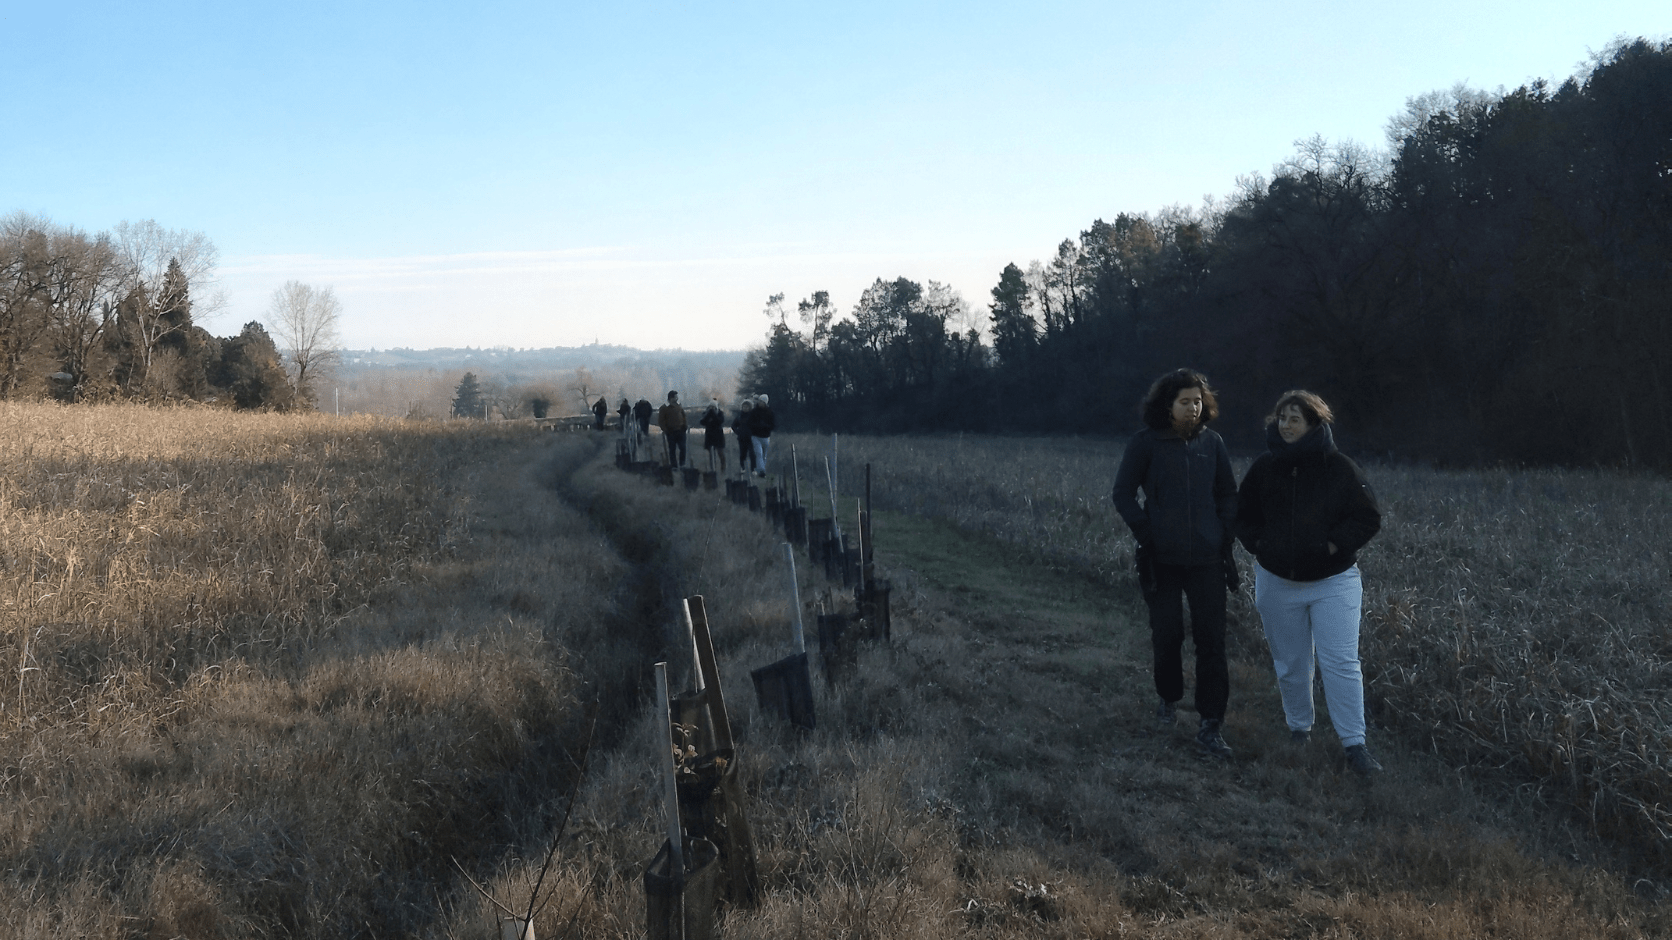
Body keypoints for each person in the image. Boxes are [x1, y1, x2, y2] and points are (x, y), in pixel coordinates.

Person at [1235, 390, 1384, 775]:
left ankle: (1355, 746)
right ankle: (1299, 729)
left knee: (1341, 663)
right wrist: (1261, 545)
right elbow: (1242, 515)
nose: (1285, 425)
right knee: (1292, 664)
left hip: (1333, 581)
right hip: (1276, 581)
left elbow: (1368, 518)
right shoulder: (1264, 467)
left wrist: (1332, 546)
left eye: (1294, 418)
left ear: (1314, 424)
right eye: (1281, 417)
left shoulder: (1340, 468)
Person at [1112, 369, 1238, 758]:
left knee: (1211, 641)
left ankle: (1211, 723)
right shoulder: (1145, 444)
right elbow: (1123, 494)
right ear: (1167, 405)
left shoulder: (1213, 444)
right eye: (1185, 402)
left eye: (1198, 401)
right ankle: (1168, 699)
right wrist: (1146, 534)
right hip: (1160, 559)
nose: (1193, 408)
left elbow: (1227, 493)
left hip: (1206, 560)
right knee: (1167, 635)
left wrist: (1224, 535)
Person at [658, 391, 688, 467]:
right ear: (671, 398)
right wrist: (665, 430)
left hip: (681, 430)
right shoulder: (665, 408)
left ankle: (682, 464)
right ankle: (674, 465)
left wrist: (685, 425)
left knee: (683, 448)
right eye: (675, 397)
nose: (676, 398)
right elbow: (661, 421)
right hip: (671, 432)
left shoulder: (679, 406)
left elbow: (684, 417)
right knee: (672, 450)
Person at [748, 393, 775, 477]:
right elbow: (750, 423)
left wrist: (765, 427)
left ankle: (760, 470)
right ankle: (762, 471)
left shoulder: (770, 412)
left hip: (766, 436)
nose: (760, 403)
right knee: (758, 453)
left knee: (764, 454)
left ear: (765, 403)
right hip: (756, 436)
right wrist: (757, 426)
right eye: (759, 401)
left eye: (762, 401)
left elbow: (773, 425)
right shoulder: (754, 412)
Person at [699, 398, 727, 472]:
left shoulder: (720, 413)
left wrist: (714, 414)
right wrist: (709, 414)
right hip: (709, 435)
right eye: (710, 407)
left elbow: (719, 421)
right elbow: (702, 422)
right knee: (711, 454)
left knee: (720, 452)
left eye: (713, 407)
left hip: (718, 435)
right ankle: (713, 468)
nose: (712, 408)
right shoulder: (705, 413)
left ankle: (723, 467)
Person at [731, 399, 755, 474]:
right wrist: (738, 432)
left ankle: (753, 469)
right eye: (744, 407)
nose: (745, 408)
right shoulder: (739, 416)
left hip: (751, 438)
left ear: (750, 407)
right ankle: (743, 468)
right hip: (742, 438)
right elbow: (733, 425)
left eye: (747, 407)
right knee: (742, 454)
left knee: (752, 454)